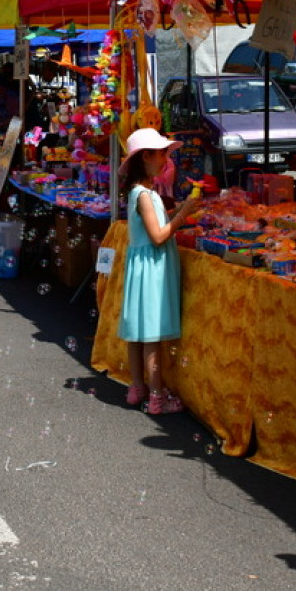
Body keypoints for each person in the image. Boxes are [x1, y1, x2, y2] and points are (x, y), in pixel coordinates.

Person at [118, 127, 201, 414]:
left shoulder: (139, 192)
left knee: (137, 333)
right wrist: (184, 213)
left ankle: (136, 387)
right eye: (161, 153)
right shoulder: (144, 195)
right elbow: (159, 236)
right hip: (151, 271)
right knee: (151, 334)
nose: (166, 159)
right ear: (145, 158)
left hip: (141, 269)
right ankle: (157, 397)